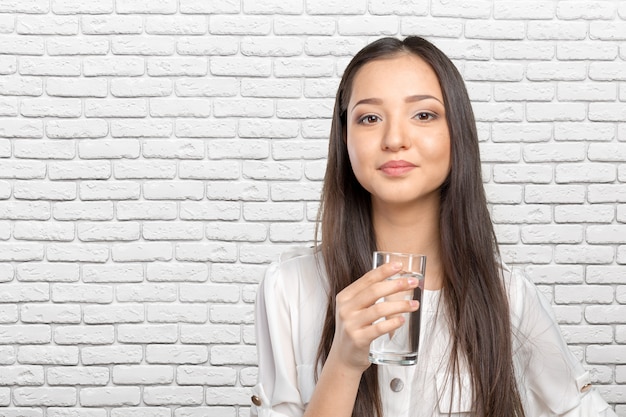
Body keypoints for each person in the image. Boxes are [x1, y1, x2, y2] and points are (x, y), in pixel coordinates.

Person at [250, 36, 617, 417]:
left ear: (457, 132)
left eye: (423, 115)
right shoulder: (288, 289)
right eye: (370, 118)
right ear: (345, 139)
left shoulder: (510, 299)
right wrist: (343, 362)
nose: (394, 140)